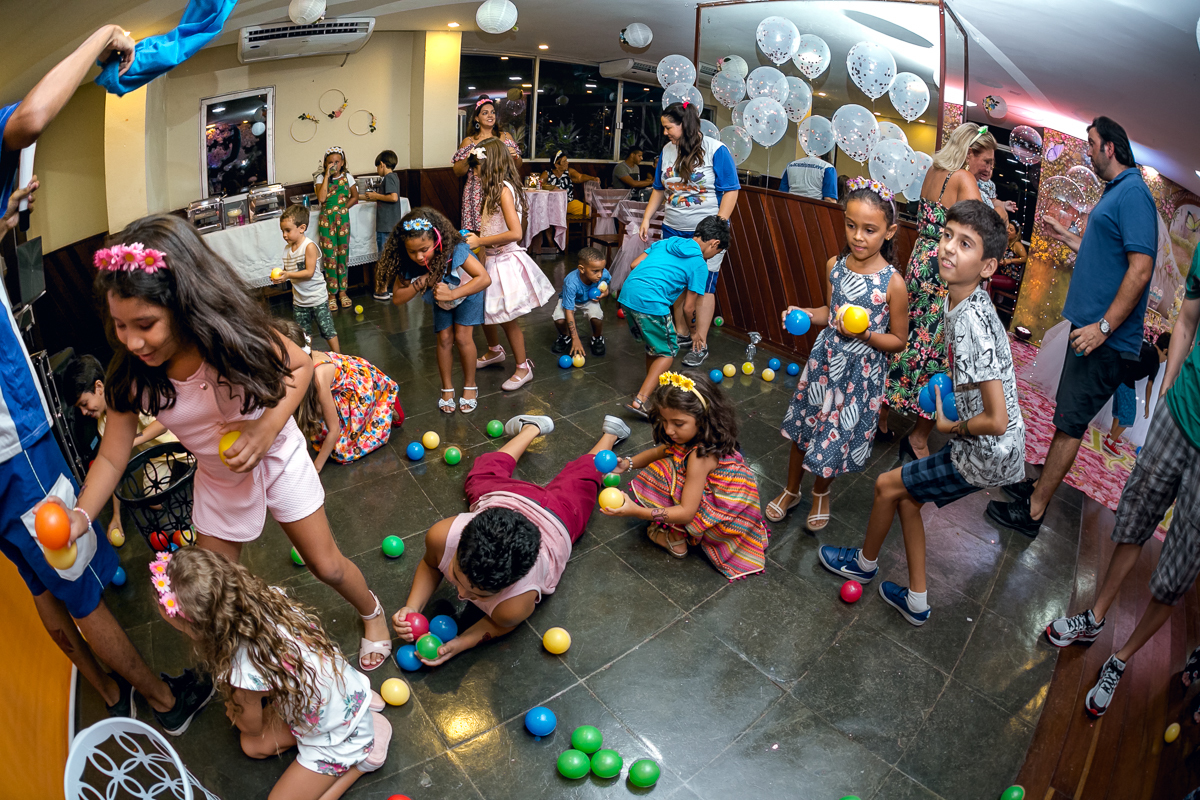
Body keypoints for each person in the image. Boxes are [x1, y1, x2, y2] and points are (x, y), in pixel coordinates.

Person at [0, 24, 217, 736]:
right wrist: (101, 40)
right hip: (13, 440)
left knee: (38, 579)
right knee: (79, 579)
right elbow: (29, 118)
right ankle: (160, 699)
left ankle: (102, 685)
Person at [65, 214, 393, 671]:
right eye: (120, 326)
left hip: (277, 455)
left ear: (183, 303)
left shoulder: (231, 335)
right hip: (219, 481)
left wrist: (265, 429)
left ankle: (372, 613)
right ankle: (250, 663)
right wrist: (82, 514)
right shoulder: (130, 378)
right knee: (213, 592)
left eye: (145, 323)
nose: (133, 341)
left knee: (327, 565)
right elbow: (113, 455)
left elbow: (300, 368)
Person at [819, 201, 1024, 626]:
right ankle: (915, 598)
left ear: (988, 267)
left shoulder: (971, 321)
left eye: (965, 244)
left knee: (885, 484)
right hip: (992, 448)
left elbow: (997, 418)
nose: (948, 248)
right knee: (907, 497)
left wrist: (952, 425)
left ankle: (863, 563)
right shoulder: (961, 300)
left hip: (985, 451)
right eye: (947, 235)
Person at [1044, 246, 1199, 718]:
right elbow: (1189, 316)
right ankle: (1093, 618)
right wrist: (1171, 384)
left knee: (1176, 573)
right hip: (1181, 414)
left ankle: (1121, 658)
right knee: (1133, 518)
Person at [987, 117, 1156, 536]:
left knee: (1070, 424)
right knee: (1066, 416)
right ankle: (1038, 488)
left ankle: (1034, 513)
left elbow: (1140, 269)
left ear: (1110, 149)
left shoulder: (1134, 194)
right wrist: (1067, 237)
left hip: (1104, 340)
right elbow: (1106, 254)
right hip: (1090, 332)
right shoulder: (1117, 191)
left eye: (1091, 144)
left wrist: (1103, 327)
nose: (1088, 152)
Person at [390, 413, 633, 665]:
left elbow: (500, 624)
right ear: (461, 539)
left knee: (585, 477)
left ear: (510, 584)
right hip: (506, 497)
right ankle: (531, 428)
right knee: (483, 472)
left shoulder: (515, 605)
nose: (460, 594)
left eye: (478, 595)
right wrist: (412, 607)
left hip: (557, 516)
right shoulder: (443, 535)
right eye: (459, 577)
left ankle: (611, 434)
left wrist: (462, 643)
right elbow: (431, 563)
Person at [158, 547, 391, 798]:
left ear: (195, 628)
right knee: (251, 747)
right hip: (338, 695)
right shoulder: (265, 598)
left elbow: (252, 726)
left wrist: (236, 707)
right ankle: (361, 719)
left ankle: (364, 758)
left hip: (338, 736)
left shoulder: (241, 674)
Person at [765, 179, 909, 529]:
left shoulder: (894, 283)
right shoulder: (835, 265)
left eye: (869, 229)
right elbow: (828, 313)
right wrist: (802, 313)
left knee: (833, 436)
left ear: (888, 232)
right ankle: (791, 488)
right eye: (851, 225)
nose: (858, 236)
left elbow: (899, 341)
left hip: (859, 376)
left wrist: (867, 334)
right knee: (805, 427)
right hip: (824, 364)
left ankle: (820, 492)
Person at [879, 122, 994, 457]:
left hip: (921, 261)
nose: (987, 168)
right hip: (947, 268)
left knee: (906, 333)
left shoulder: (935, 170)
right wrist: (998, 211)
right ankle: (917, 437)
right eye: (985, 160)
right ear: (970, 153)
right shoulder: (964, 177)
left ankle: (882, 415)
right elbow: (980, 231)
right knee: (943, 350)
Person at [604, 371, 770, 579]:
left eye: (678, 423)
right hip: (728, 499)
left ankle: (675, 538)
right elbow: (661, 451)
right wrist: (627, 464)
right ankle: (678, 533)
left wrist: (637, 511)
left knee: (661, 472)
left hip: (725, 516)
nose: (669, 430)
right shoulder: (698, 435)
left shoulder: (700, 457)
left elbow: (686, 513)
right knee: (666, 464)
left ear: (702, 418)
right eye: (664, 421)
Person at [639, 101, 740, 368]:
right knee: (677, 282)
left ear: (684, 124)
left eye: (668, 127)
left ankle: (700, 342)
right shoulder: (666, 151)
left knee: (704, 286)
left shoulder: (716, 150)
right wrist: (647, 218)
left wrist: (719, 225)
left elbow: (731, 189)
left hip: (705, 234)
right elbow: (659, 189)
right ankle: (682, 333)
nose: (665, 133)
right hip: (673, 227)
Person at [619, 215, 729, 417]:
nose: (712, 257)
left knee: (656, 347)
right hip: (651, 303)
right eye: (716, 252)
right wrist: (695, 333)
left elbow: (634, 264)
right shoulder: (698, 264)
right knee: (669, 352)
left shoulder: (667, 242)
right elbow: (689, 308)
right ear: (714, 243)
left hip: (627, 295)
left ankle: (652, 386)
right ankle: (640, 401)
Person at [383, 208, 490, 414]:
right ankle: (447, 389)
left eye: (424, 249)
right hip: (442, 297)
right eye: (412, 251)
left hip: (468, 291)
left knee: (462, 337)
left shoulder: (455, 249)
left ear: (437, 239)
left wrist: (453, 294)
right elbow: (397, 298)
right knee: (444, 339)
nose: (418, 256)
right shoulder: (410, 261)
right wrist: (422, 281)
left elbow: (484, 279)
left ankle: (470, 386)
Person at [468, 138, 555, 392]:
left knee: (507, 318)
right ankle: (495, 351)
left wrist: (480, 240)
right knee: (485, 310)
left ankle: (522, 367)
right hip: (491, 258)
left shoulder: (504, 191)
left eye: (476, 168)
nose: (473, 173)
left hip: (505, 260)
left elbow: (515, 232)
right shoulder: (493, 189)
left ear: (491, 165)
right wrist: (482, 251)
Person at [63, 354, 179, 542]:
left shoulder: (131, 391)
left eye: (84, 404)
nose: (84, 412)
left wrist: (129, 441)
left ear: (99, 387)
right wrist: (116, 516)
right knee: (154, 501)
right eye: (80, 408)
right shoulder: (102, 425)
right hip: (158, 455)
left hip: (181, 441)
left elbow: (163, 423)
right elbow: (115, 467)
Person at [277, 321, 402, 472]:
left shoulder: (318, 379)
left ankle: (382, 406)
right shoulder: (304, 362)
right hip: (341, 379)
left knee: (341, 450)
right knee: (318, 420)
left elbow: (334, 429)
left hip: (361, 385)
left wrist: (316, 468)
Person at [274, 205, 340, 354]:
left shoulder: (309, 247)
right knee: (303, 335)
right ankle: (307, 360)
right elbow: (288, 272)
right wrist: (281, 277)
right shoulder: (287, 250)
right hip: (299, 301)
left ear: (302, 228)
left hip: (317, 298)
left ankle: (341, 358)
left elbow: (309, 272)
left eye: (288, 230)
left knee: (327, 330)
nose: (284, 235)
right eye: (282, 231)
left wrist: (288, 275)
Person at [452, 96, 522, 234]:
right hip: (477, 191)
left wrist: (514, 156)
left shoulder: (506, 137)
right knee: (480, 232)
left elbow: (518, 165)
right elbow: (458, 172)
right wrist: (471, 155)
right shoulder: (469, 141)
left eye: (492, 112)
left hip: (503, 188)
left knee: (504, 228)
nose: (490, 115)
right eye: (485, 113)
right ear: (476, 118)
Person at [1102, 332, 1169, 455]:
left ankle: (1111, 435)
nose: (1164, 361)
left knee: (1119, 412)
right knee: (1129, 416)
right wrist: (1147, 406)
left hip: (1119, 375)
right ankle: (1110, 442)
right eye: (1166, 358)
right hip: (1126, 381)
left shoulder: (1146, 346)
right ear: (1165, 351)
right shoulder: (1155, 360)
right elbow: (1149, 385)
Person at [314, 146, 358, 313]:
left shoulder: (348, 177)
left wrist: (343, 209)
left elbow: (354, 197)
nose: (333, 165)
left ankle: (343, 292)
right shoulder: (320, 178)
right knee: (329, 256)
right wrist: (326, 175)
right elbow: (322, 198)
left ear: (342, 162)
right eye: (330, 162)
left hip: (343, 220)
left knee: (342, 255)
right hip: (326, 220)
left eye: (336, 162)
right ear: (325, 164)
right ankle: (331, 294)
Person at [551, 246, 611, 358]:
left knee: (597, 317)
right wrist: (576, 339)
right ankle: (566, 337)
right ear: (582, 269)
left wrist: (606, 293)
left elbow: (606, 285)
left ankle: (597, 338)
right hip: (570, 300)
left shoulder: (604, 273)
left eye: (602, 270)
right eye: (595, 271)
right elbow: (569, 311)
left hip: (589, 300)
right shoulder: (571, 282)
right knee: (559, 319)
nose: (600, 274)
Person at [364, 149, 403, 301]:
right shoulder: (394, 177)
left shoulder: (388, 178)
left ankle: (381, 289)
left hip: (386, 225)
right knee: (391, 257)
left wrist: (375, 195)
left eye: (377, 167)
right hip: (391, 225)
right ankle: (389, 287)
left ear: (382, 164)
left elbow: (393, 197)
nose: (377, 170)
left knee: (383, 258)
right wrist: (367, 196)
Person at [540, 150, 599, 218]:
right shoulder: (547, 174)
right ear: (556, 165)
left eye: (566, 160)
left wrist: (593, 178)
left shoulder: (569, 172)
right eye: (564, 161)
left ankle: (586, 229)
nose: (567, 162)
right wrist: (552, 187)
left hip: (568, 202)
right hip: (551, 204)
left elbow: (580, 177)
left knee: (589, 210)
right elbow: (540, 185)